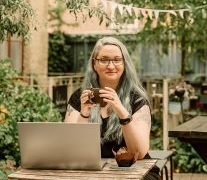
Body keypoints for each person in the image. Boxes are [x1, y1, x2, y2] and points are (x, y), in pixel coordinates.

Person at [65, 37, 160, 180]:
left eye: (117, 60)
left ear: (124, 63)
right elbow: (70, 148)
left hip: (135, 171)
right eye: (104, 59)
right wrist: (84, 114)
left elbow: (139, 153)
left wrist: (121, 110)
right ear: (94, 64)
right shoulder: (80, 97)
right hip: (92, 172)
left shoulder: (137, 99)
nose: (111, 66)